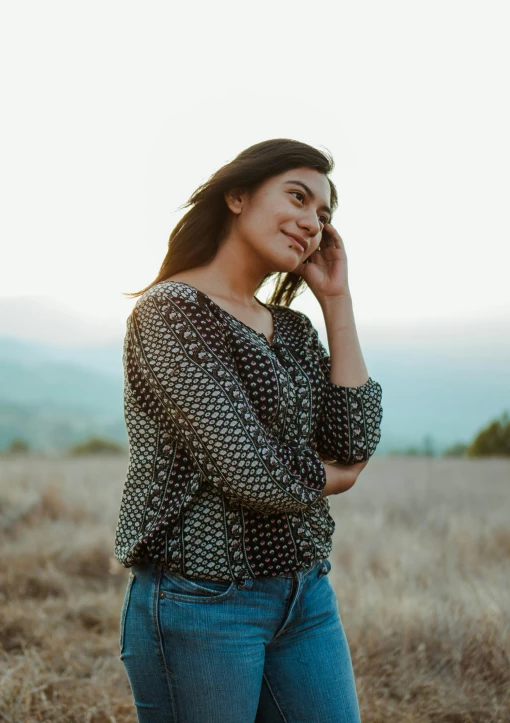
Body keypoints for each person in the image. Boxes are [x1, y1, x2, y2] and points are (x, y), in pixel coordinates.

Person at [115, 137, 383, 722]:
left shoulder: (289, 329)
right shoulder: (169, 312)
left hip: (305, 593)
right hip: (201, 602)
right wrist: (334, 481)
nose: (312, 222)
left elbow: (353, 440)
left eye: (324, 214)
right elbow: (252, 469)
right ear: (236, 196)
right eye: (298, 196)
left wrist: (336, 302)